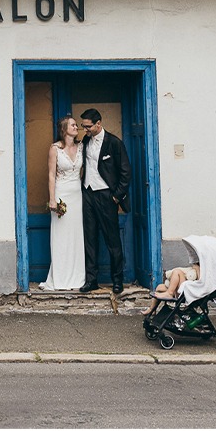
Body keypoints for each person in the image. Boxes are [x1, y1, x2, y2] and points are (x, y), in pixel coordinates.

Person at [78, 109, 131, 295]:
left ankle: (118, 280)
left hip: (106, 196)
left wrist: (116, 196)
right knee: (90, 239)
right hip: (88, 194)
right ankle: (91, 280)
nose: (85, 130)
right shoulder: (85, 141)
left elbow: (126, 172)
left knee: (112, 239)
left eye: (88, 126)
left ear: (98, 123)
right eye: (83, 126)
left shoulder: (114, 143)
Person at [44, 117, 86, 290]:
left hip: (78, 195)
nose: (77, 127)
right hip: (62, 195)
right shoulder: (55, 149)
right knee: (61, 236)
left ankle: (77, 277)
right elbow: (51, 175)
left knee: (76, 236)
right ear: (63, 129)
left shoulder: (82, 147)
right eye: (73, 125)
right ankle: (60, 277)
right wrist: (52, 199)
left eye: (76, 124)